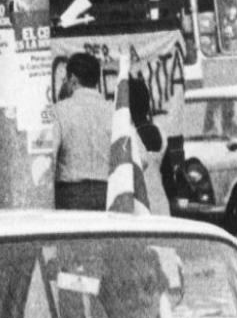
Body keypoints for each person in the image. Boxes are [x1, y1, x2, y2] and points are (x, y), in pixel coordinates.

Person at [53, 52, 113, 210]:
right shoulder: (115, 112)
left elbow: (49, 157)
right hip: (109, 194)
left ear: (72, 79)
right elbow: (142, 157)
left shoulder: (59, 111)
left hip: (71, 196)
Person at [127, 77, 171, 217]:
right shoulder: (160, 132)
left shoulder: (129, 135)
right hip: (161, 205)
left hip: (139, 209)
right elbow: (169, 179)